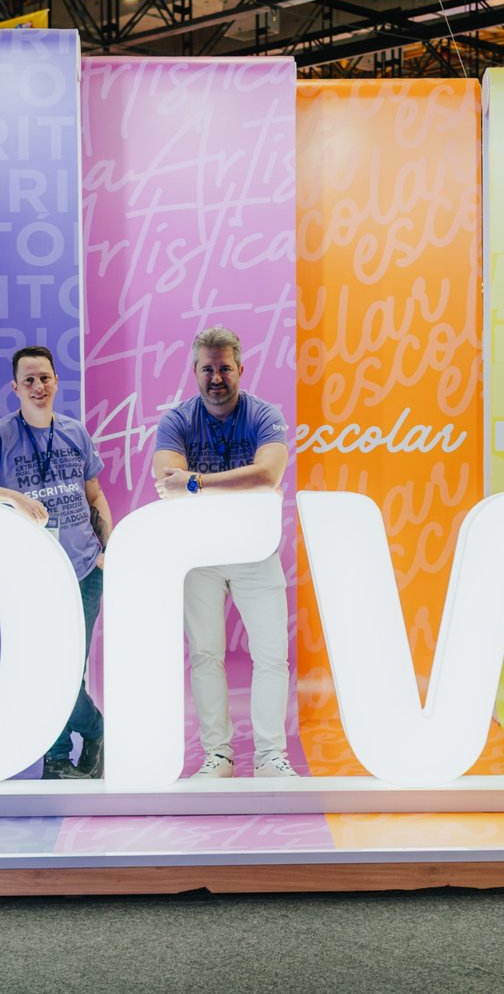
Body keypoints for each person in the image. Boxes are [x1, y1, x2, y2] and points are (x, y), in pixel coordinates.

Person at [0, 346, 112, 779]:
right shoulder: (0, 436)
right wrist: (12, 497)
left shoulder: (75, 432)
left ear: (56, 381)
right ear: (15, 387)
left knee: (69, 670)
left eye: (45, 378)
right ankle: (90, 734)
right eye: (29, 380)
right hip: (36, 576)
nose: (38, 386)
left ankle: (63, 755)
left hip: (84, 572)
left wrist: (107, 551)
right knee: (46, 672)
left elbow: (94, 494)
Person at [152, 326, 296, 779]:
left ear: (240, 369)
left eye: (225, 369)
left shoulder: (264, 414)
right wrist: (235, 482)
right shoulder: (177, 420)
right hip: (200, 554)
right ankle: (218, 754)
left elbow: (268, 474)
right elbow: (167, 481)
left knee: (272, 655)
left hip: (256, 550)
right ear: (195, 371)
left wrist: (197, 482)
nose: (217, 378)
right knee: (205, 654)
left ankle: (271, 756)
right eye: (208, 369)